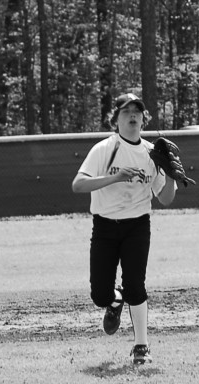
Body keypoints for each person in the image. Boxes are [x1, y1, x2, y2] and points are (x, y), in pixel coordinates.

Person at [72, 93, 177, 364]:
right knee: (100, 295)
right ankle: (114, 301)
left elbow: (165, 199)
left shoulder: (152, 154)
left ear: (144, 119)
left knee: (136, 285)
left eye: (137, 111)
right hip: (105, 226)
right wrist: (115, 177)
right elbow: (78, 185)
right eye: (126, 111)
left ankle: (141, 346)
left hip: (137, 226)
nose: (132, 116)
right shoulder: (105, 149)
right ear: (115, 119)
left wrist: (171, 177)